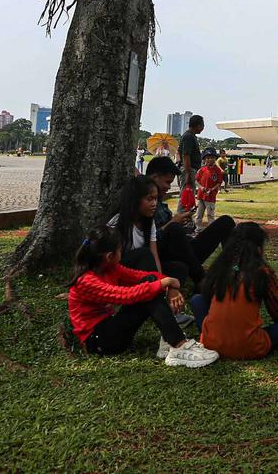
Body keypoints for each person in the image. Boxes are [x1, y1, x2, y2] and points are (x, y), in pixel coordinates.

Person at [67, 225, 218, 367]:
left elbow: (143, 275)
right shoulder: (86, 281)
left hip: (109, 327)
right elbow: (125, 295)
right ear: (109, 256)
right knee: (147, 291)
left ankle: (170, 340)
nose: (122, 253)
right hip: (99, 341)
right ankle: (178, 344)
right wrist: (164, 283)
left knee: (150, 282)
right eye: (120, 250)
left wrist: (170, 285)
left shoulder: (110, 268)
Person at [190, 222, 278, 359]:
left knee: (197, 300)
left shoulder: (219, 267)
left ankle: (213, 334)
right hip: (249, 347)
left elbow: (204, 296)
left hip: (210, 344)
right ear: (259, 249)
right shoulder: (261, 272)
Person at [145, 157, 231, 285]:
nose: (169, 187)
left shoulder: (161, 204)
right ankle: (201, 279)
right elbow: (145, 240)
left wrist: (182, 224)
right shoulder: (142, 203)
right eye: (167, 182)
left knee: (226, 222)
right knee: (174, 229)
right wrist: (173, 223)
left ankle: (231, 271)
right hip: (160, 255)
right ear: (154, 177)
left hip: (182, 252)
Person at [178, 115, 204, 193]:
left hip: (190, 170)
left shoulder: (191, 136)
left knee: (190, 194)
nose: (203, 128)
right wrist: (188, 173)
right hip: (189, 169)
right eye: (203, 126)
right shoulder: (188, 137)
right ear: (198, 125)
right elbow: (186, 155)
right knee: (186, 195)